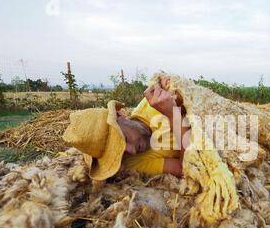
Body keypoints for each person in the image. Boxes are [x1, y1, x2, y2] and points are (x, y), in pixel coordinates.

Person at [62, 76, 190, 181]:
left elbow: (192, 99)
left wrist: (170, 84)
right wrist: (174, 116)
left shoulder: (155, 103)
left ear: (120, 115)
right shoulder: (133, 162)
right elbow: (187, 169)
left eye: (124, 138)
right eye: (121, 153)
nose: (132, 150)